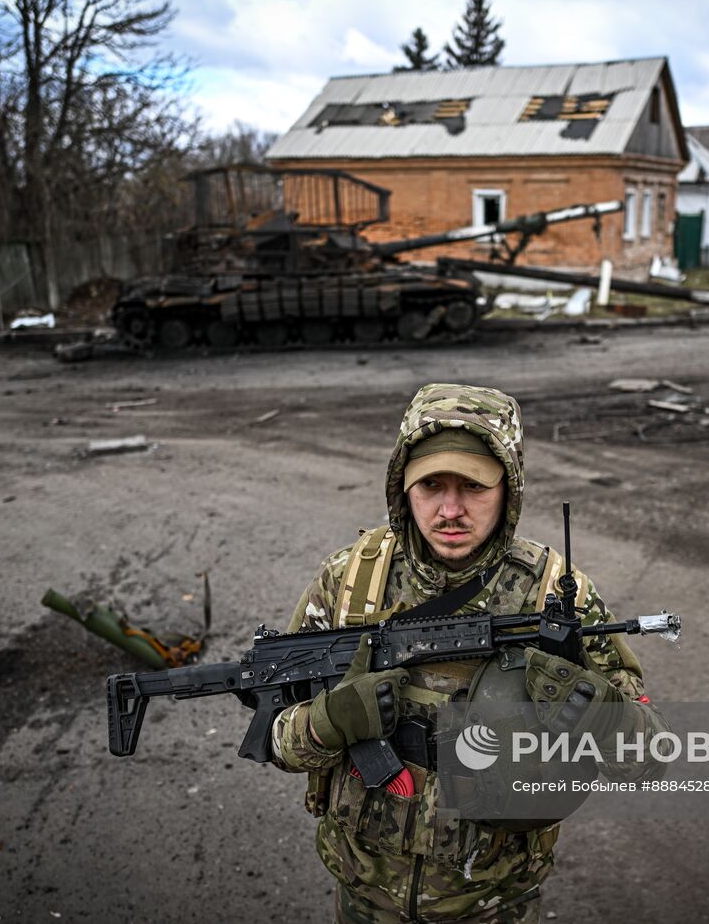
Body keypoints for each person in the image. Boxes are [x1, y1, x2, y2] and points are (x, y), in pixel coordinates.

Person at [271, 383, 665, 923]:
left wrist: (599, 715)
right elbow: (276, 742)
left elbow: (649, 757)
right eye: (431, 484)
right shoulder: (350, 582)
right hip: (363, 893)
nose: (450, 510)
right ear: (402, 487)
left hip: (492, 902)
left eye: (474, 487)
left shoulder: (555, 595)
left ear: (509, 489)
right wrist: (325, 723)